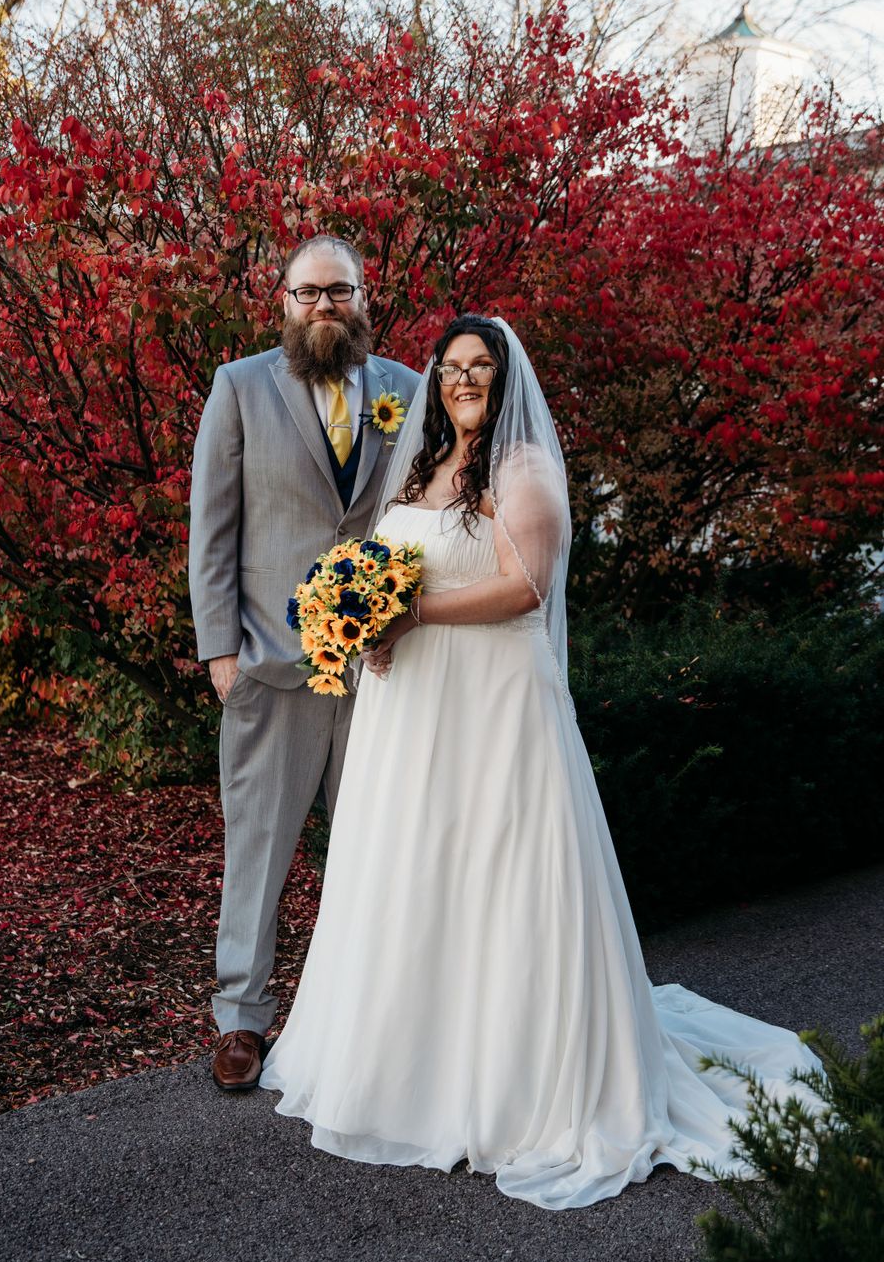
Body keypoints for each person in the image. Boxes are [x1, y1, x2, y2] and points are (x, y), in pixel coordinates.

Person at [258, 313, 827, 1211]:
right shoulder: (425, 465)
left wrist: (413, 615)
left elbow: (527, 585)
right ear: (435, 382)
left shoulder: (521, 466)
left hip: (493, 704)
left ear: (504, 377)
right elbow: (394, 567)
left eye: (480, 367)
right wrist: (360, 620)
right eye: (452, 368)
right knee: (418, 869)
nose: (464, 380)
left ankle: (510, 1083)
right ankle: (413, 1064)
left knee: (500, 869)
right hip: (415, 709)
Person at [188, 235, 420, 1092]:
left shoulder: (408, 390)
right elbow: (212, 526)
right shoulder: (240, 387)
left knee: (375, 849)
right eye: (308, 292)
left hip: (383, 672)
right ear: (283, 302)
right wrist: (222, 653)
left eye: (339, 291)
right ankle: (241, 1019)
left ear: (364, 298)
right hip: (270, 665)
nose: (325, 305)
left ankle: (368, 1019)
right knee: (258, 849)